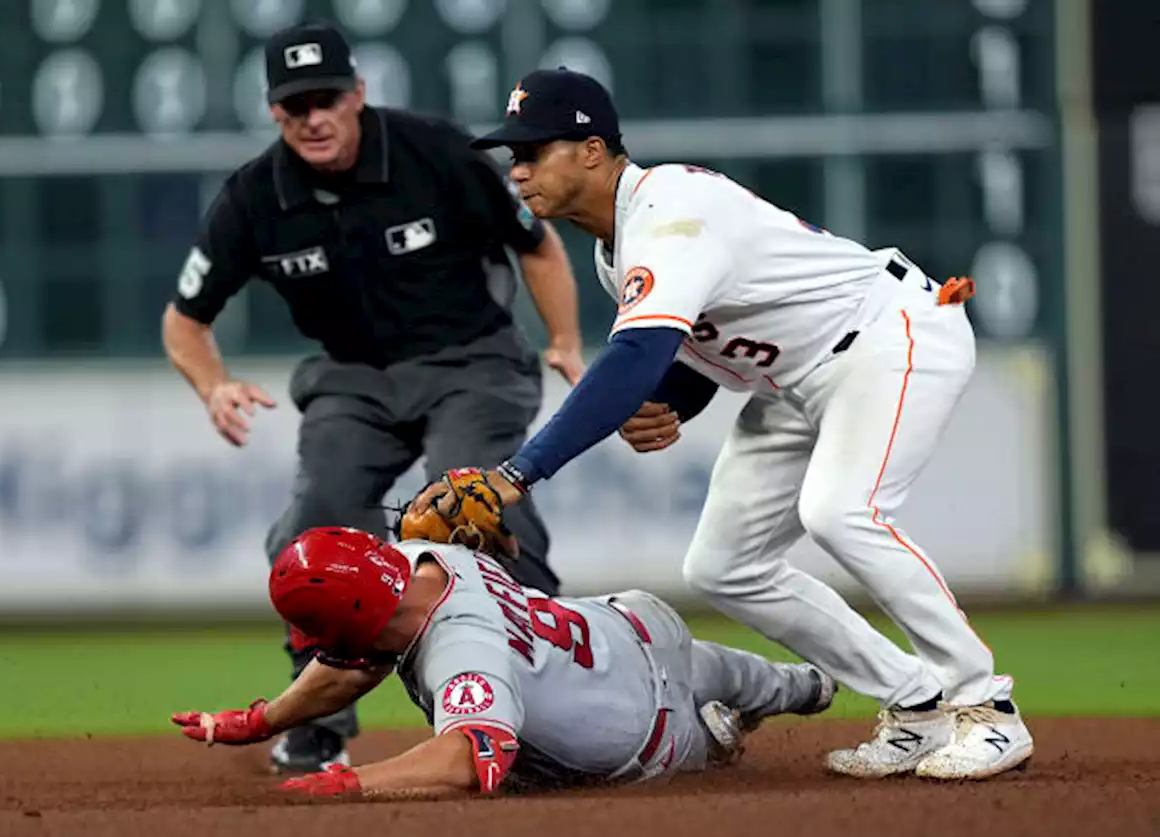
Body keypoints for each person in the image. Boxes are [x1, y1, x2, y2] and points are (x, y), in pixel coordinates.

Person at [412, 67, 1035, 781]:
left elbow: (635, 353)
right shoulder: (616, 250)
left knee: (840, 512)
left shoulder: (671, 212)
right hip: (799, 379)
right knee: (723, 566)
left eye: (533, 150)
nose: (517, 170)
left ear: (591, 149)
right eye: (513, 156)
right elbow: (695, 352)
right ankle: (916, 703)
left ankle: (985, 706)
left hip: (889, 337)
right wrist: (671, 402)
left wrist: (518, 471)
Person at [161, 22, 586, 775]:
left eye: (326, 98)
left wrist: (564, 339)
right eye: (296, 107)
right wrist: (212, 383)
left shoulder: (437, 153)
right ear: (274, 114)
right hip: (352, 377)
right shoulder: (255, 196)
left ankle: (552, 680)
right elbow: (184, 321)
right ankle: (317, 721)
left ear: (359, 95)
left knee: (472, 501)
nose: (314, 118)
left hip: (473, 362)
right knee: (312, 529)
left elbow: (538, 246)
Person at [170, 526, 836, 797]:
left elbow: (471, 757)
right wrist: (261, 719)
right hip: (632, 623)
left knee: (711, 737)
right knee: (771, 680)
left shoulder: (462, 651)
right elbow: (354, 663)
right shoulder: (417, 553)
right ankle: (818, 682)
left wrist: (355, 782)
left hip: (651, 734)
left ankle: (721, 732)